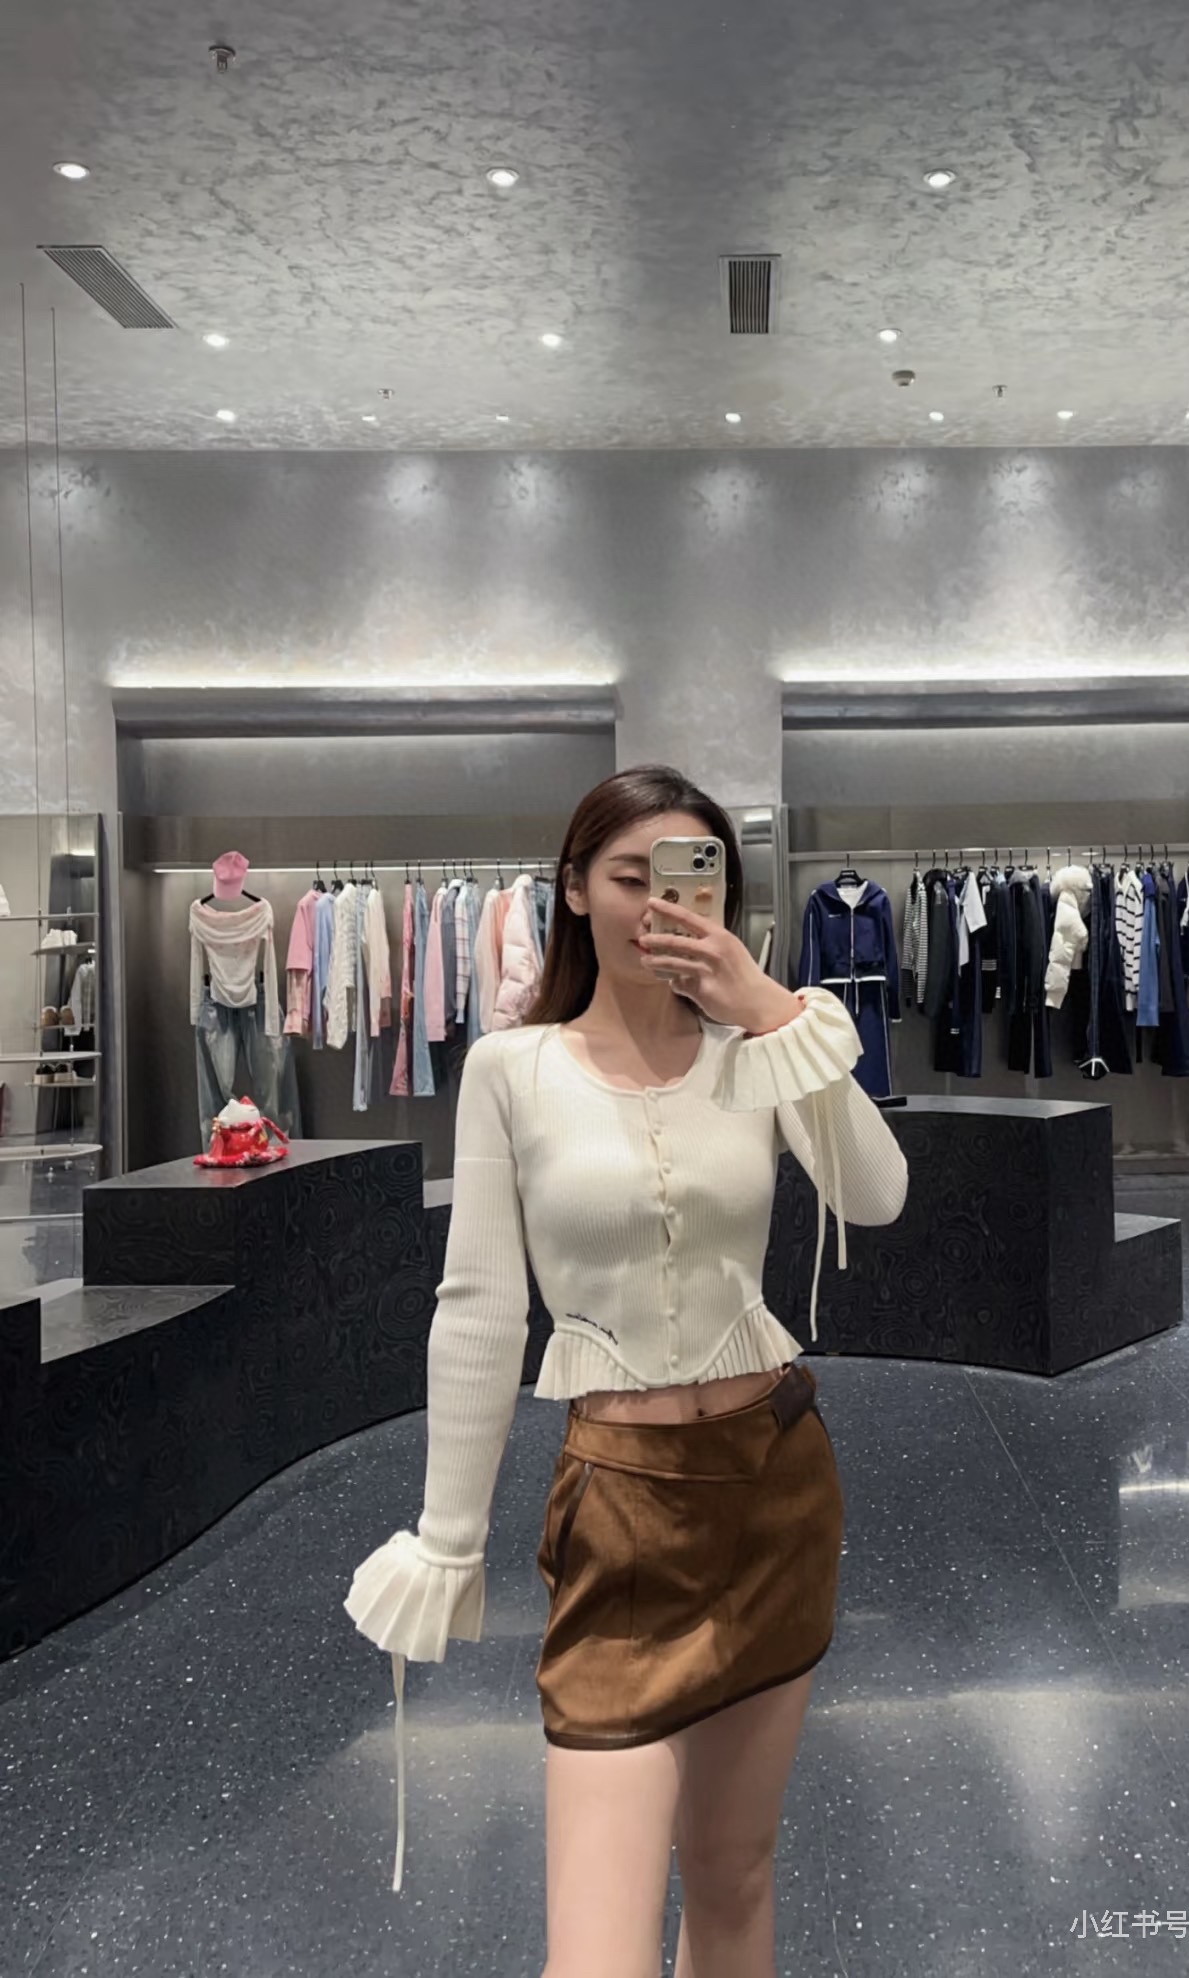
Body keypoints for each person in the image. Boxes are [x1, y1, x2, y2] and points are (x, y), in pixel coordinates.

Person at [345, 762, 909, 1974]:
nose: (662, 901)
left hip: (778, 1486)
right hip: (622, 1506)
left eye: (691, 876)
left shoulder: (758, 1047)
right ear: (572, 889)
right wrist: (449, 1538)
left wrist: (769, 1007)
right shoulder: (513, 1069)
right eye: (629, 875)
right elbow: (479, 1304)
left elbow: (876, 1193)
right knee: (595, 1953)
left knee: (734, 1877)